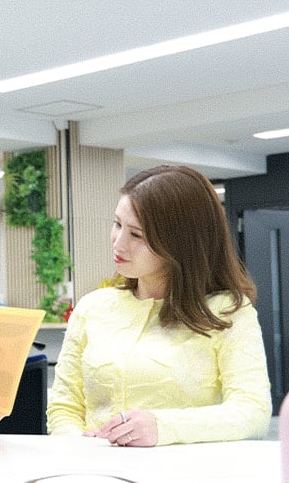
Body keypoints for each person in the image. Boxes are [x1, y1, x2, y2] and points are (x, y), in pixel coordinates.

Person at [46, 165, 272, 446]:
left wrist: (162, 427)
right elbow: (64, 407)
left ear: (180, 243)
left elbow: (253, 411)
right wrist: (78, 444)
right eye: (117, 224)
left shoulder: (227, 311)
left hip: (185, 467)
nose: (118, 243)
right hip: (93, 465)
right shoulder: (93, 307)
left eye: (136, 235)